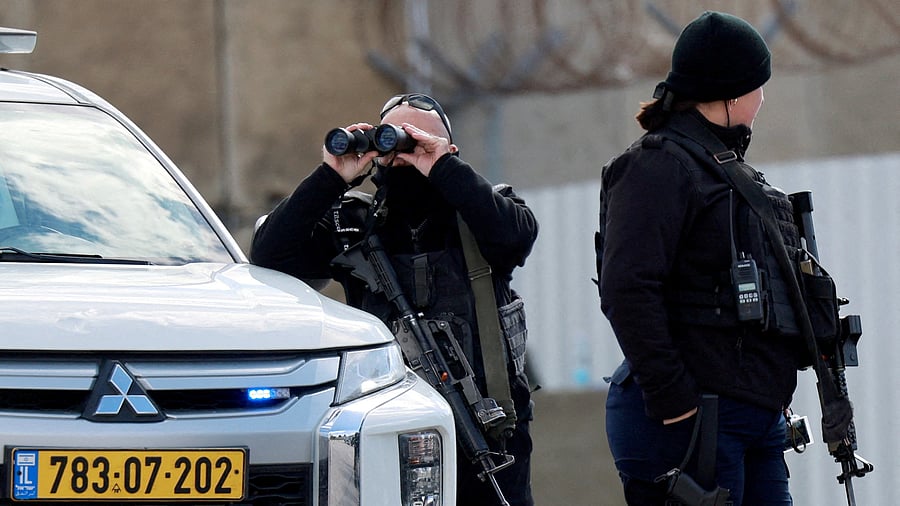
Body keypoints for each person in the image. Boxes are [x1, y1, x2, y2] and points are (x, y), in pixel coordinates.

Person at [251, 93, 537, 506]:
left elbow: (517, 235)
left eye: (418, 139)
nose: (403, 149)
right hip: (386, 428)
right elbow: (270, 255)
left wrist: (440, 166)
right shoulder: (354, 222)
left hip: (488, 428)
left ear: (450, 151)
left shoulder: (482, 213)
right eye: (393, 138)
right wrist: (332, 177)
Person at [596, 11, 817, 506]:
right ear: (732, 93)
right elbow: (627, 288)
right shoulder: (657, 166)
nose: (763, 101)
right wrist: (676, 404)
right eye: (759, 86)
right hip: (693, 424)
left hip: (753, 420)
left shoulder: (727, 173)